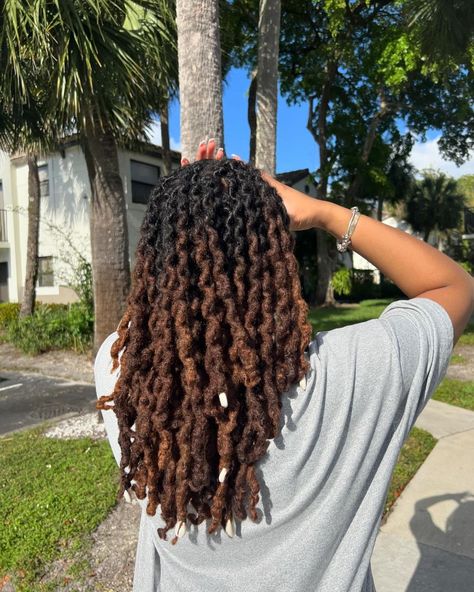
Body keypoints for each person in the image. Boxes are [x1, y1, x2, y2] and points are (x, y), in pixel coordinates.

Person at [94, 139, 473, 592]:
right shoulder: (353, 373)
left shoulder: (123, 376)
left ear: (156, 259)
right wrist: (325, 213)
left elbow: (157, 321)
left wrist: (189, 203)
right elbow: (454, 286)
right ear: (277, 255)